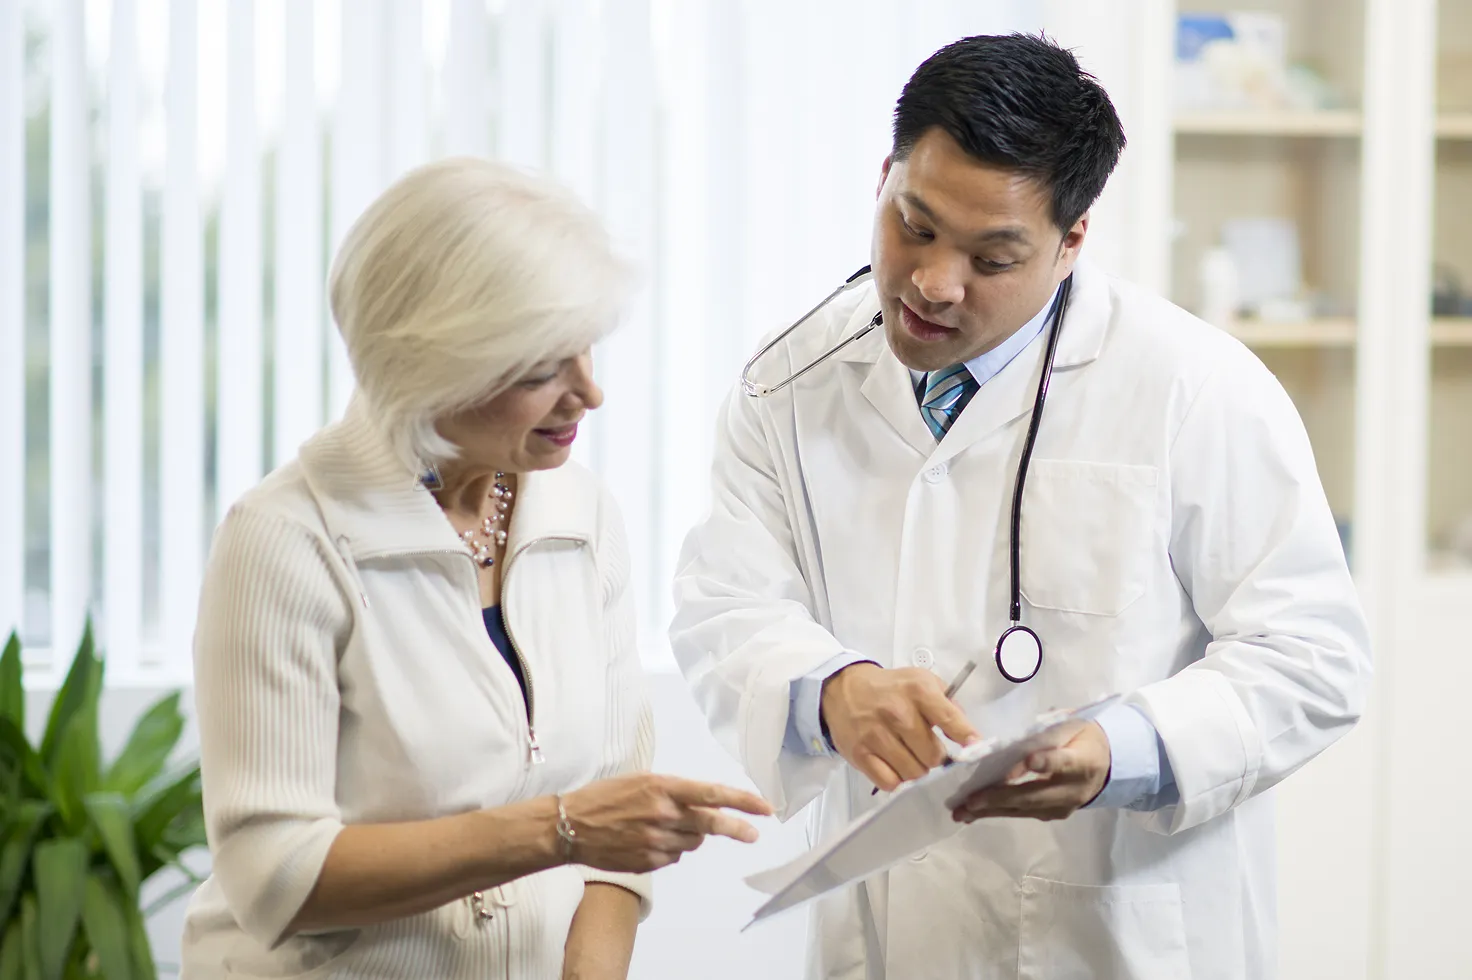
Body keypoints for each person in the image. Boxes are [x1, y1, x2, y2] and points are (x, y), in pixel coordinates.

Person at [671, 34, 1370, 980]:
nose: (933, 284)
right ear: (885, 176)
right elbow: (725, 604)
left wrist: (1121, 748)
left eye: (992, 257)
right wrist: (831, 690)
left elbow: (1313, 656)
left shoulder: (1192, 387)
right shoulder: (789, 380)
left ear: (1072, 238)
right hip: (884, 932)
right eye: (912, 225)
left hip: (1116, 933)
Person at [181, 158, 772, 980]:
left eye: (585, 349)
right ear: (428, 368)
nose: (588, 393)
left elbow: (615, 817)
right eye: (540, 369)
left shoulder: (581, 516)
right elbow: (275, 874)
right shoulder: (287, 542)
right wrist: (557, 828)